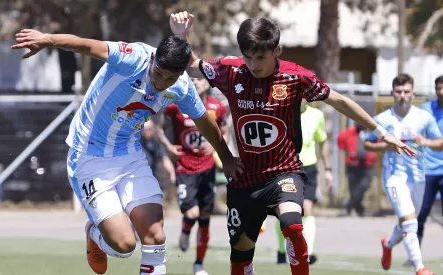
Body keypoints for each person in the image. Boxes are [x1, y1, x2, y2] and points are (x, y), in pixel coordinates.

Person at [170, 11, 415, 275]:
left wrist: (381, 131)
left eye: (261, 57)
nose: (253, 64)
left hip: (283, 172)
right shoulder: (231, 71)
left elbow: (340, 101)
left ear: (276, 51)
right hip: (245, 178)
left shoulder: (295, 76)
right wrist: (181, 35)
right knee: (240, 256)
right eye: (248, 57)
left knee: (293, 225)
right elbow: (193, 64)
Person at [11, 21, 242, 275]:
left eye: (170, 78)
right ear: (154, 59)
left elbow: (204, 121)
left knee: (155, 236)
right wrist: (47, 39)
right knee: (124, 245)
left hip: (129, 156)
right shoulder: (133, 57)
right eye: (159, 73)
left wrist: (226, 156)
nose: (162, 83)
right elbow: (87, 45)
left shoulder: (182, 85)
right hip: (88, 156)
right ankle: (93, 233)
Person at [364, 74, 442, 275]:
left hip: (418, 178)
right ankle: (419, 268)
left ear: (413, 93)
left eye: (406, 91)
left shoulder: (423, 117)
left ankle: (388, 245)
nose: (402, 95)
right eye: (398, 92)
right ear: (392, 93)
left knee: (407, 222)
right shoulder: (383, 119)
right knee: (410, 221)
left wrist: (425, 142)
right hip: (394, 177)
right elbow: (366, 143)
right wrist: (385, 146)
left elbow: (440, 142)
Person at [158, 77, 229, 275]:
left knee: (205, 217)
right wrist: (168, 146)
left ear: (209, 84)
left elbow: (225, 132)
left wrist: (217, 143)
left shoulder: (217, 108)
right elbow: (158, 127)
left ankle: (199, 264)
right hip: (185, 168)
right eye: (193, 79)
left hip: (207, 169)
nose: (197, 82)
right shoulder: (176, 106)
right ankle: (186, 229)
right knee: (192, 214)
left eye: (201, 79)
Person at [276, 100, 332, 265]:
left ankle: (308, 252)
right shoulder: (281, 113)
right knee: (285, 213)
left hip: (308, 168)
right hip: (286, 167)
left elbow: (323, 141)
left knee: (307, 209)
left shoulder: (316, 116)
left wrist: (328, 170)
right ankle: (281, 250)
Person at [414, 75, 443, 267]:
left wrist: (427, 142)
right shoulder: (425, 110)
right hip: (428, 170)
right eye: (439, 88)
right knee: (420, 214)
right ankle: (414, 255)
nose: (441, 92)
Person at [337, 123, 377, 217]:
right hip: (353, 164)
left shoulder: (372, 132)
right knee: (353, 187)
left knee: (364, 185)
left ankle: (350, 204)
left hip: (368, 165)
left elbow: (380, 141)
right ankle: (358, 208)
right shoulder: (349, 132)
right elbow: (341, 142)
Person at [140, 118, 176, 212]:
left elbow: (164, 158)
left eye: (150, 129)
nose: (148, 131)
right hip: (139, 181)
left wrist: (172, 173)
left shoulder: (156, 143)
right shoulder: (136, 143)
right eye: (145, 129)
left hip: (153, 180)